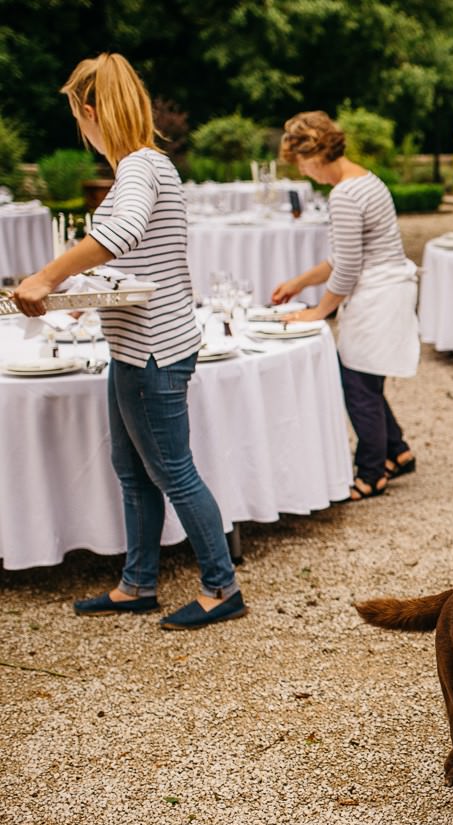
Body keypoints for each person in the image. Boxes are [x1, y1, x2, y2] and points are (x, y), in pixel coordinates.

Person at [13, 54, 245, 629]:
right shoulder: (145, 166)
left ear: (90, 111)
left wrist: (48, 277)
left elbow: (118, 235)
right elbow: (137, 258)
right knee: (133, 469)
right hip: (137, 345)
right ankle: (137, 583)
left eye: (76, 114)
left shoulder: (140, 166)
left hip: (153, 349)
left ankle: (222, 586)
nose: (79, 126)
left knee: (172, 471)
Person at [271, 111, 419, 501]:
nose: (304, 173)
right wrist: (298, 283)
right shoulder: (365, 180)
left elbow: (348, 268)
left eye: (302, 164)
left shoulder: (345, 194)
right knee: (367, 378)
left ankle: (372, 473)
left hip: (378, 295)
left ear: (316, 155)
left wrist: (319, 311)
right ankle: (397, 450)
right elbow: (344, 257)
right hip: (386, 289)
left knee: (358, 385)